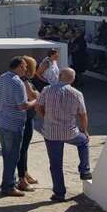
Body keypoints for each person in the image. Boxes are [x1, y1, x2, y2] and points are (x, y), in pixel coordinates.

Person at [36, 68, 91, 202]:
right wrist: (84, 130)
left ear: (59, 76)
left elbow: (38, 107)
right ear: (72, 79)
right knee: (84, 142)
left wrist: (46, 117)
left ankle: (59, 194)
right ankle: (84, 170)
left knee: (55, 164)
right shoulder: (77, 93)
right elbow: (83, 115)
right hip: (70, 132)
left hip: (51, 133)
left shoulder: (47, 90)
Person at [0, 57, 37, 197]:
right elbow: (23, 106)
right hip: (13, 124)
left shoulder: (2, 77)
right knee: (12, 157)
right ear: (19, 66)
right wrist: (36, 101)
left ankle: (9, 183)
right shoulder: (17, 82)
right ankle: (8, 187)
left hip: (1, 121)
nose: (26, 69)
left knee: (8, 156)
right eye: (24, 66)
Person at [17, 56, 40, 192]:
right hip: (25, 119)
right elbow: (34, 96)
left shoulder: (25, 81)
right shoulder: (24, 81)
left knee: (24, 149)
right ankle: (22, 179)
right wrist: (37, 95)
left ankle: (24, 173)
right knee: (22, 149)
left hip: (28, 118)